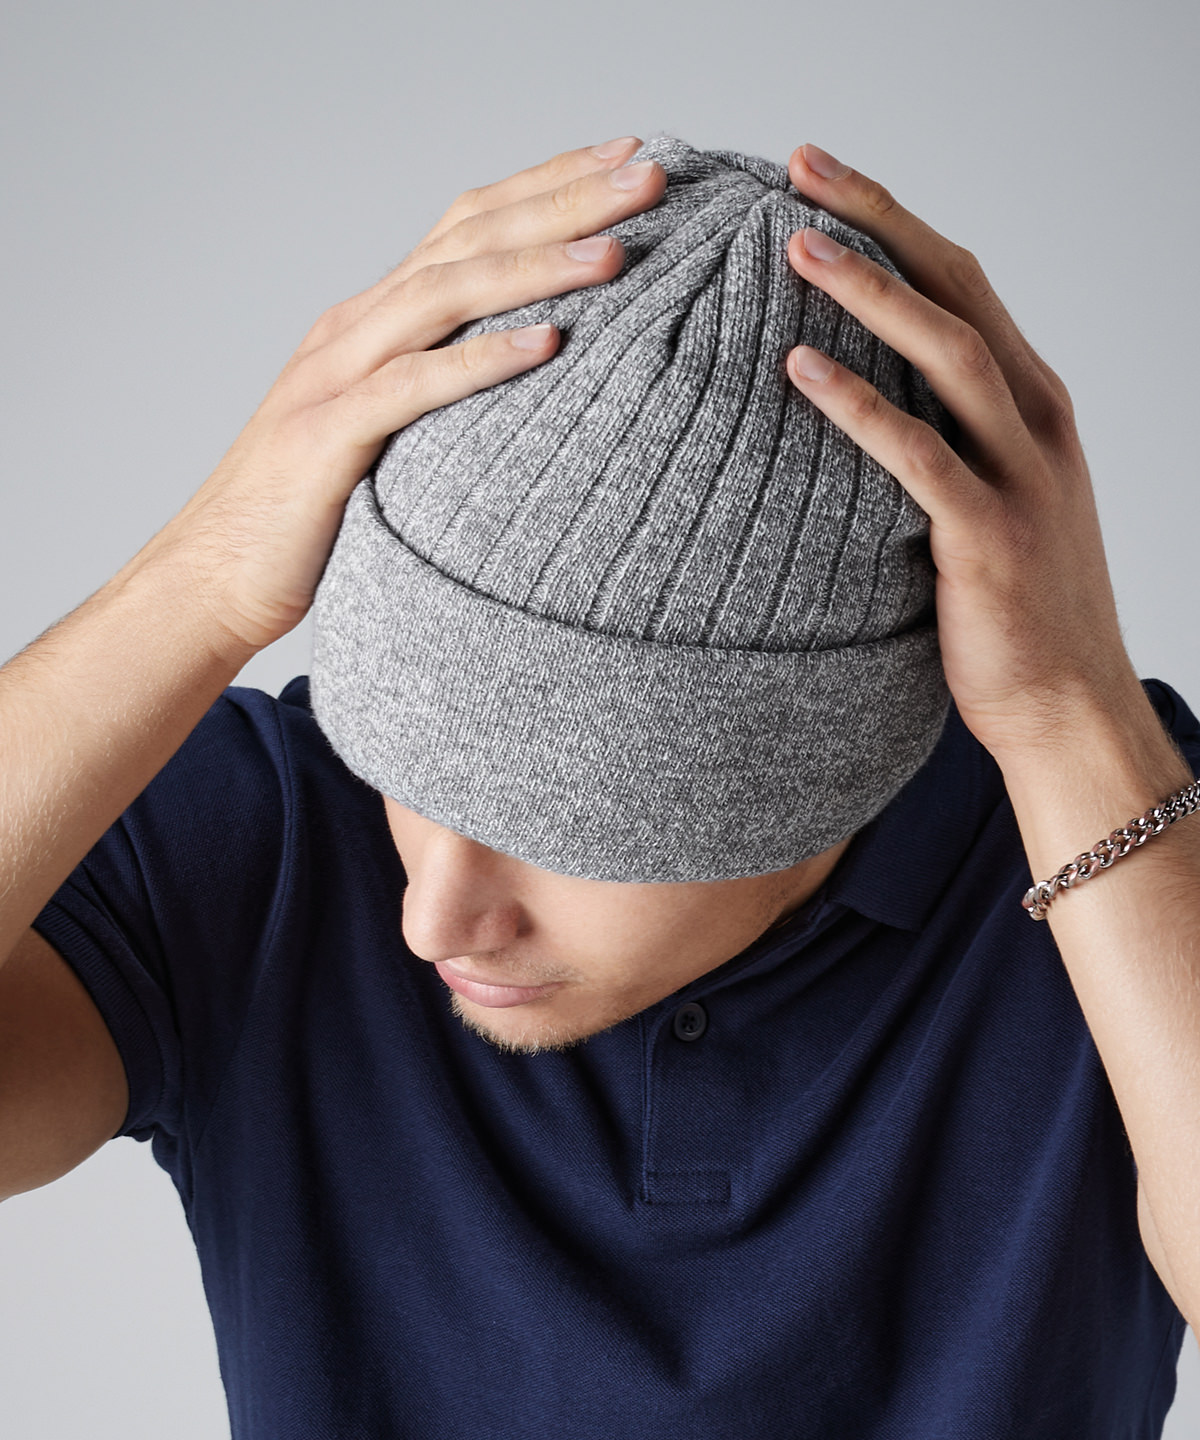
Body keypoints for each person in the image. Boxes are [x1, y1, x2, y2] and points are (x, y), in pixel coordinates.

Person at [0, 129, 1197, 1438]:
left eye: (567, 827)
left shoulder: (1112, 832)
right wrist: (195, 584)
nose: (433, 920)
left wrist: (1069, 716)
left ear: (832, 761)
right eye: (410, 774)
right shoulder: (256, 833)